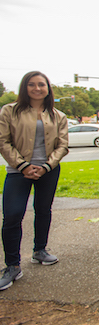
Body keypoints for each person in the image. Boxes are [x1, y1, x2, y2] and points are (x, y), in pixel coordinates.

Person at [0, 72, 68, 290]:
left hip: (48, 170)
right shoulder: (9, 111)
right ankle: (12, 265)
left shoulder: (58, 115)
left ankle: (40, 250)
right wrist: (23, 166)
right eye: (32, 84)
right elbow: (3, 141)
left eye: (41, 84)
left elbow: (62, 145)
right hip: (18, 171)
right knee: (12, 215)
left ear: (48, 88)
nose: (37, 88)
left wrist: (47, 166)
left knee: (43, 210)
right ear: (24, 87)